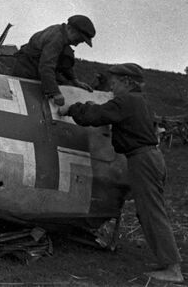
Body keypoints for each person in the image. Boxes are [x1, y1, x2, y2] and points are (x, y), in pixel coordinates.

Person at [59, 63, 183, 283]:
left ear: (127, 82)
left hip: (142, 160)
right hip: (149, 158)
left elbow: (97, 115)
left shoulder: (127, 101)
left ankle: (173, 270)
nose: (112, 87)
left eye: (115, 83)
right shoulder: (140, 101)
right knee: (148, 211)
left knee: (152, 212)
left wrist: (72, 109)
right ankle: (167, 262)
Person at [11, 15, 95, 105]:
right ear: (71, 30)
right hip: (26, 72)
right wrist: (56, 93)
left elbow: (63, 62)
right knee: (26, 103)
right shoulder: (56, 39)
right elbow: (46, 67)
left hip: (35, 69)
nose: (76, 44)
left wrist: (74, 80)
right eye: (79, 39)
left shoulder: (62, 34)